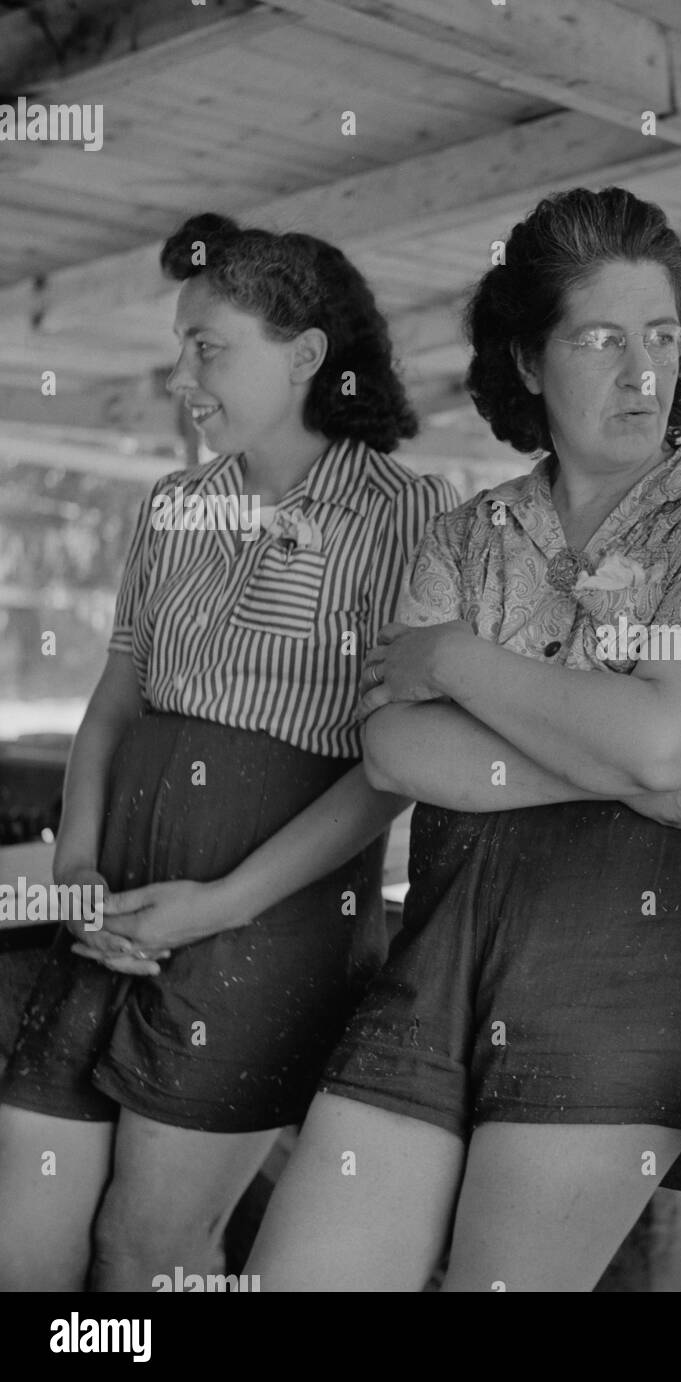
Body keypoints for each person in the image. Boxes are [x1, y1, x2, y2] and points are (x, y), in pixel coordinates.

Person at [246, 186, 681, 1292]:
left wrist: (456, 662)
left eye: (663, 336)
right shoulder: (467, 530)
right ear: (530, 362)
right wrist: (633, 766)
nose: (644, 372)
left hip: (633, 966)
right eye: (600, 339)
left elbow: (661, 740)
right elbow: (397, 753)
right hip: (444, 952)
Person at [0, 212, 457, 1291]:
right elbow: (113, 702)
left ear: (305, 356)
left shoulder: (407, 515)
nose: (181, 377)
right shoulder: (173, 507)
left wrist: (217, 904)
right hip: (108, 912)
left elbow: (389, 768)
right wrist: (76, 869)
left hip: (267, 932)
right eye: (179, 350)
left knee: (145, 1254)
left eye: (209, 347)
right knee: (27, 1229)